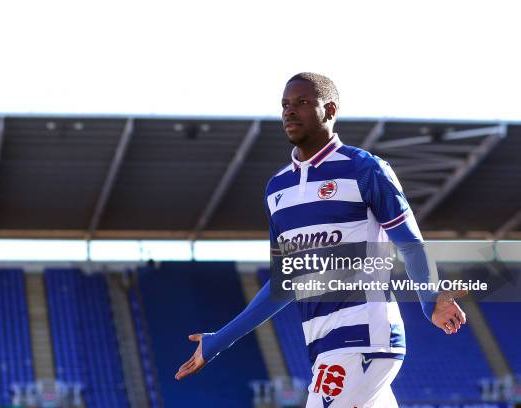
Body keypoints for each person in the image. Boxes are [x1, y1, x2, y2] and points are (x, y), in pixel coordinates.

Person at [175, 72, 467, 407]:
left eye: (301, 102)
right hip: (323, 343)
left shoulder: (364, 169)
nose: (289, 111)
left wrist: (431, 300)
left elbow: (410, 244)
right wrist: (218, 342)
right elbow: (285, 282)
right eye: (285, 104)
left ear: (329, 110)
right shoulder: (277, 189)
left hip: (363, 337)